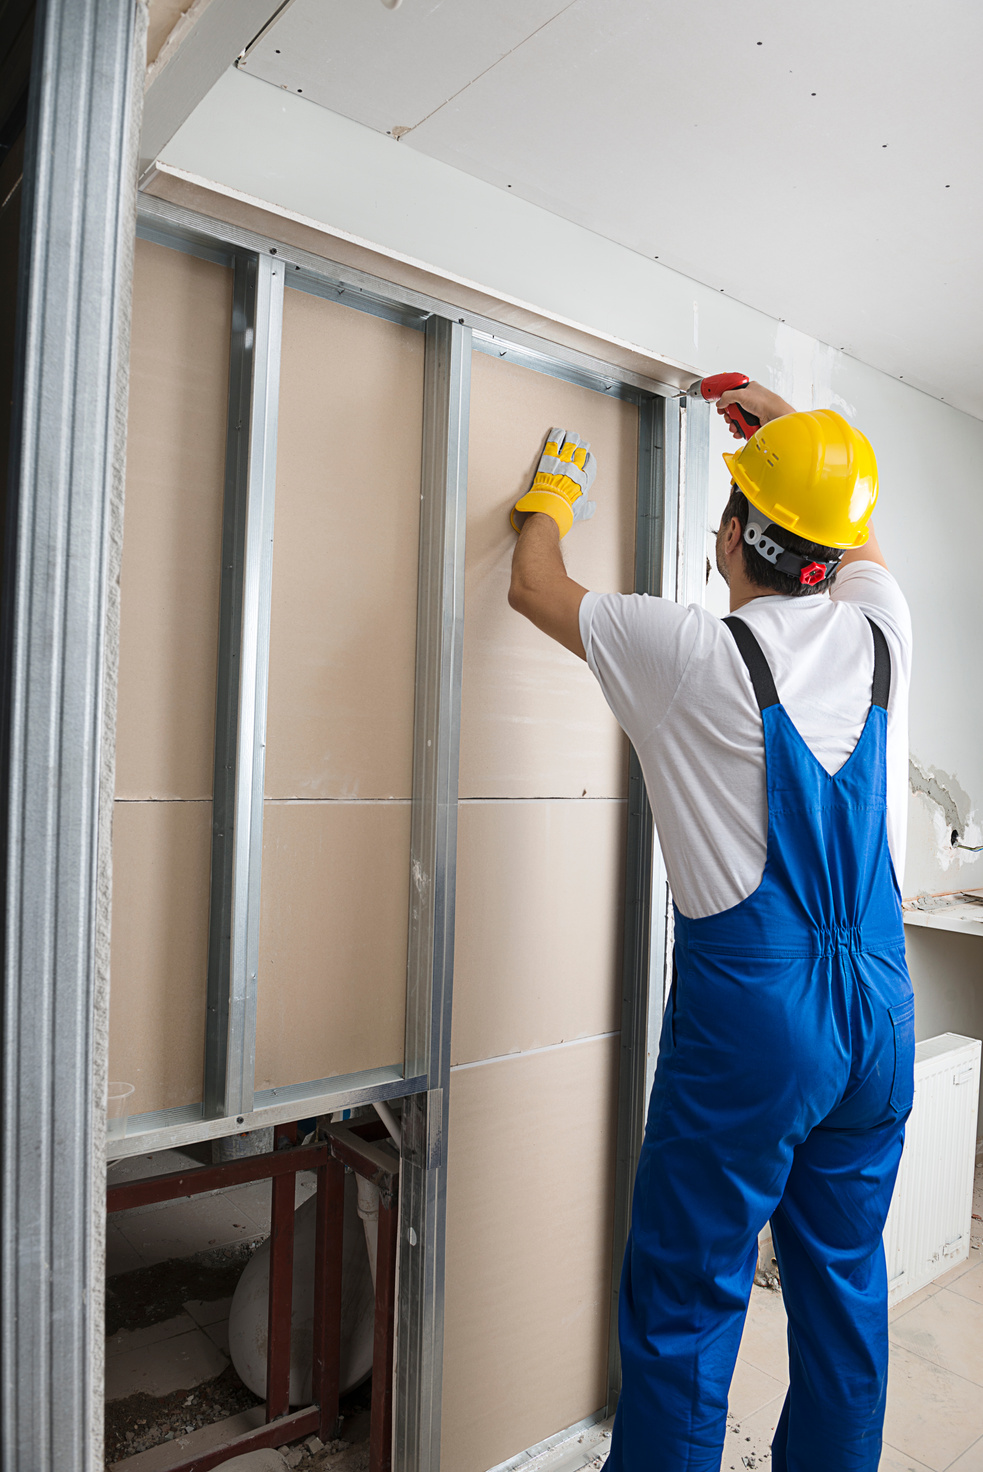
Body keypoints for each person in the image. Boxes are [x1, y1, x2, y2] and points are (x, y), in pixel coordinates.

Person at [507, 384, 915, 1472]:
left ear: (732, 534)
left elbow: (532, 584)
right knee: (842, 1282)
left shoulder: (686, 650)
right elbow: (855, 537)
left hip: (757, 1023)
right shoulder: (881, 632)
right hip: (878, 1012)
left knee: (687, 1296)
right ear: (826, 556)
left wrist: (550, 498)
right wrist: (791, 439)